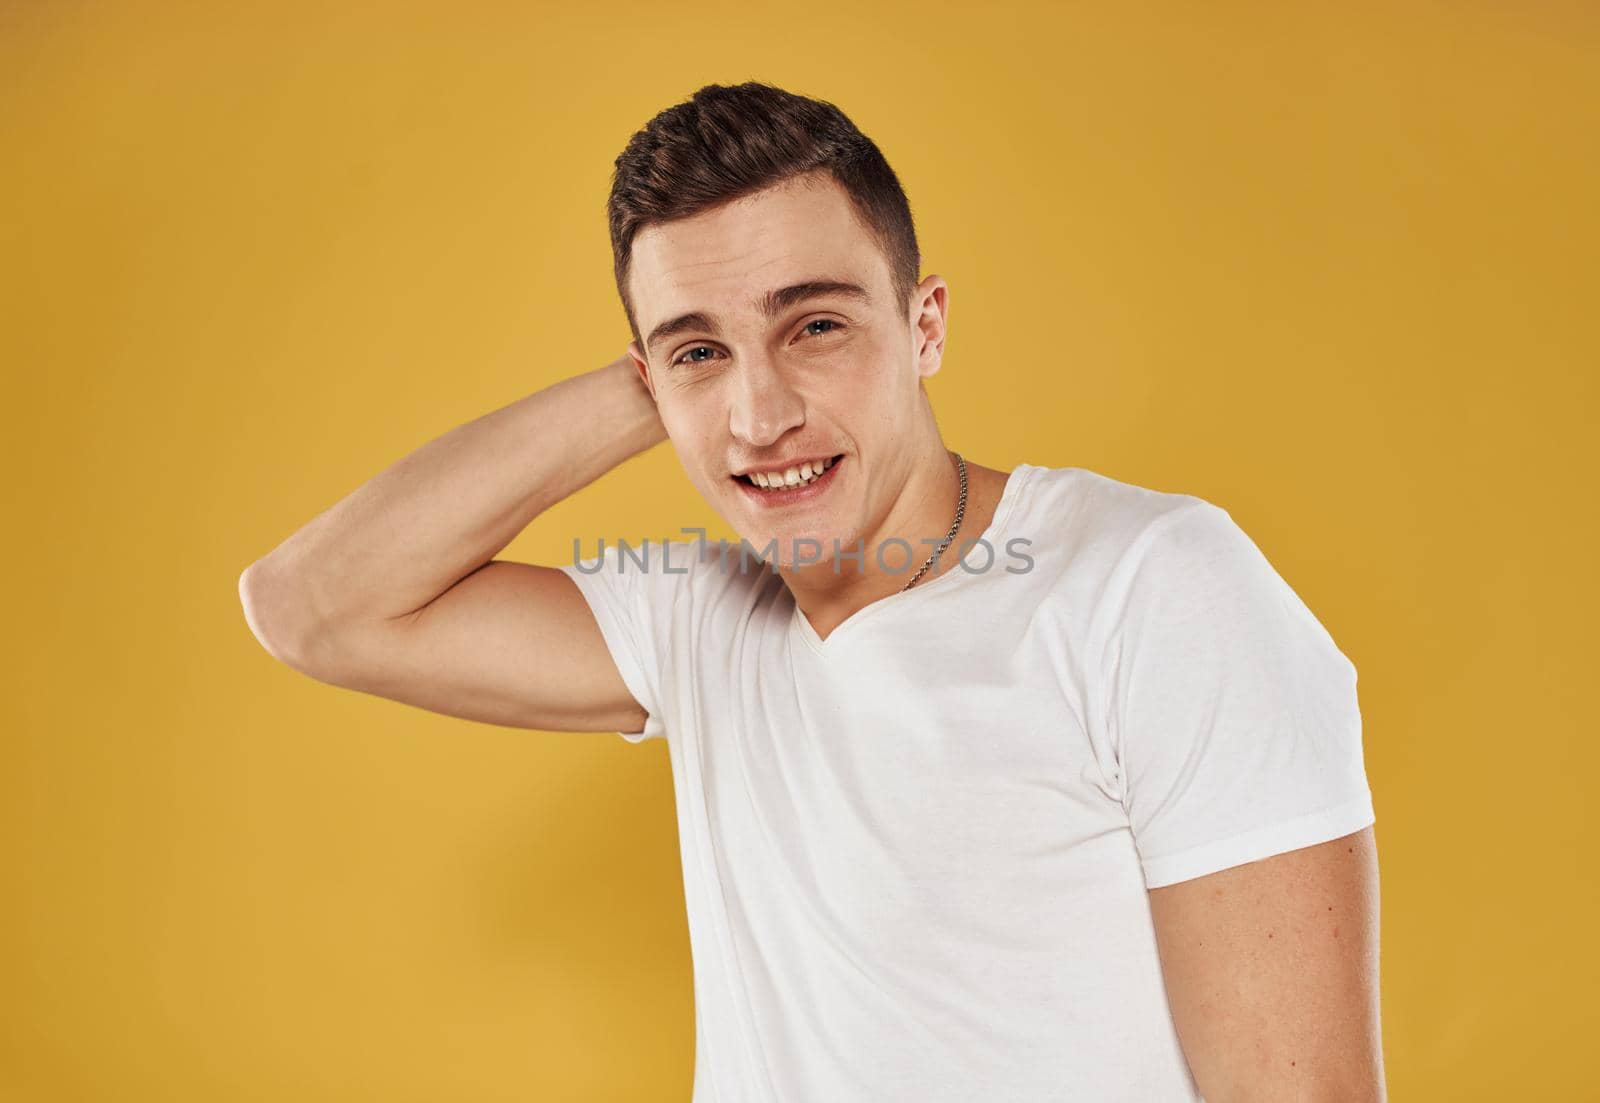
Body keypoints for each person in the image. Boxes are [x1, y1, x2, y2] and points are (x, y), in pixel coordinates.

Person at [239, 81, 1384, 1101]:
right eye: (699, 356)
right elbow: (314, 604)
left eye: (816, 324)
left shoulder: (1152, 582)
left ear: (923, 324)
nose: (761, 414)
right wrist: (668, 370)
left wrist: (705, 339)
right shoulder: (696, 616)